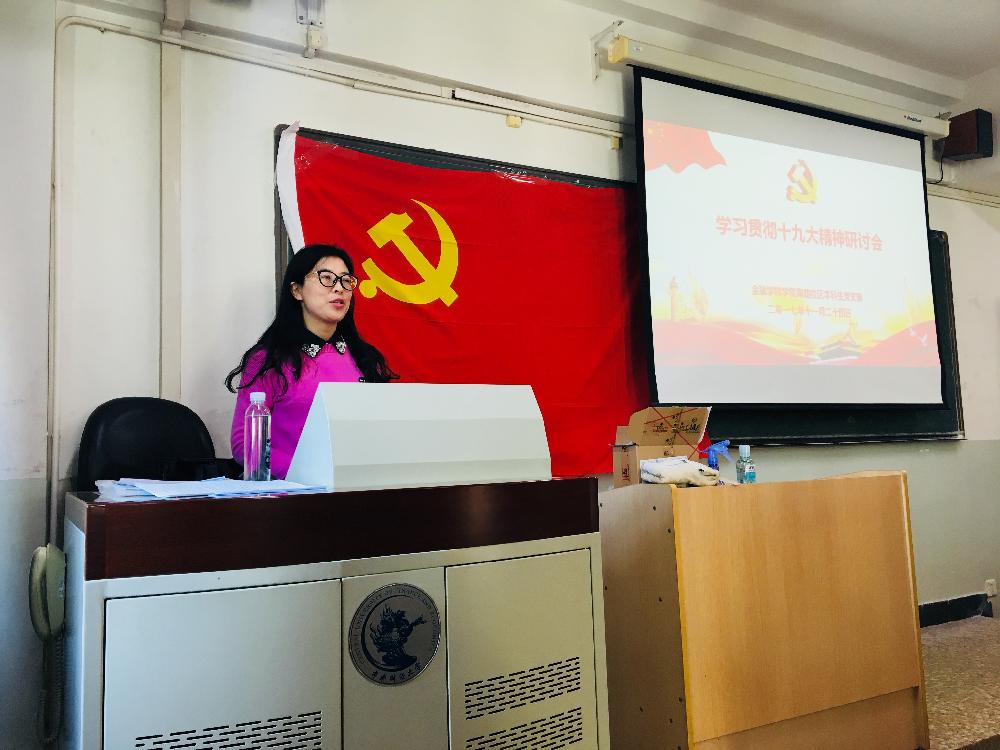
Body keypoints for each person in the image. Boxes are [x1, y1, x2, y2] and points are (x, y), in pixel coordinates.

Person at [226, 244, 397, 478]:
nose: (339, 288)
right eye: (326, 278)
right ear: (297, 290)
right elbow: (244, 443)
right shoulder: (269, 360)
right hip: (295, 491)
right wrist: (311, 472)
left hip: (360, 486)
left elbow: (382, 432)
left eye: (346, 280)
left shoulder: (367, 359)